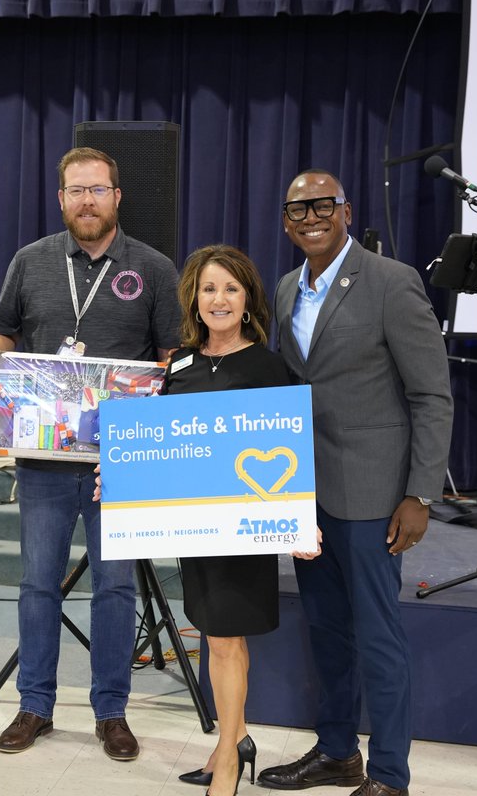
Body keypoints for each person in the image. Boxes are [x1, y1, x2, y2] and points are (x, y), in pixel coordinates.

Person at [0, 147, 181, 760]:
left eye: (98, 190)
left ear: (118, 196)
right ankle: (34, 705)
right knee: (38, 584)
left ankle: (111, 711)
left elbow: (172, 357)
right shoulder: (30, 261)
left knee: (116, 588)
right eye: (75, 191)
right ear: (60, 199)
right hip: (42, 463)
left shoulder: (155, 268)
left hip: (120, 462)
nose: (86, 200)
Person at [258, 170, 453, 796]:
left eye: (323, 205)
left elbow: (431, 395)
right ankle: (338, 753)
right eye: (297, 210)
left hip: (373, 497)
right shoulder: (287, 287)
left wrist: (420, 494)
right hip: (304, 493)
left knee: (378, 637)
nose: (310, 217)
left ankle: (390, 775)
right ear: (286, 221)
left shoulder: (392, 282)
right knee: (328, 633)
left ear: (346, 209)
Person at [157, 245, 319, 796]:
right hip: (193, 529)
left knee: (225, 640)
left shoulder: (270, 368)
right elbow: (161, 445)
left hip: (243, 531)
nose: (219, 299)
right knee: (214, 633)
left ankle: (227, 758)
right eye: (208, 289)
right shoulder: (180, 363)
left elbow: (291, 451)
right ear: (194, 299)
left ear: (247, 298)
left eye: (230, 288)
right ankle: (237, 736)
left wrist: (299, 519)